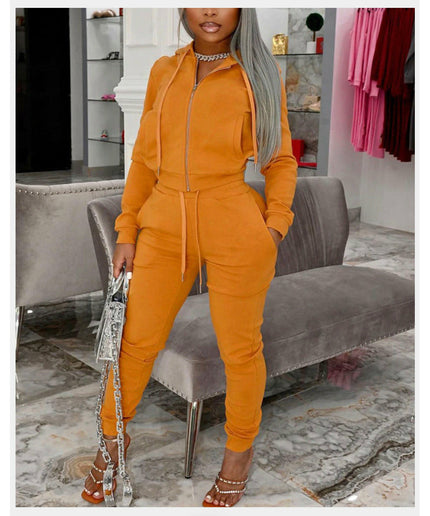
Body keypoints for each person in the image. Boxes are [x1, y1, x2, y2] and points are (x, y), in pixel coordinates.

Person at [82, 7, 297, 508]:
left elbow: (280, 158)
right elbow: (142, 160)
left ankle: (238, 453)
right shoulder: (164, 70)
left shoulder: (258, 72)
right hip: (162, 224)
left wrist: (274, 228)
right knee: (134, 343)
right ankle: (111, 440)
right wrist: (127, 229)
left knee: (240, 351)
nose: (210, 10)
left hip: (234, 223)